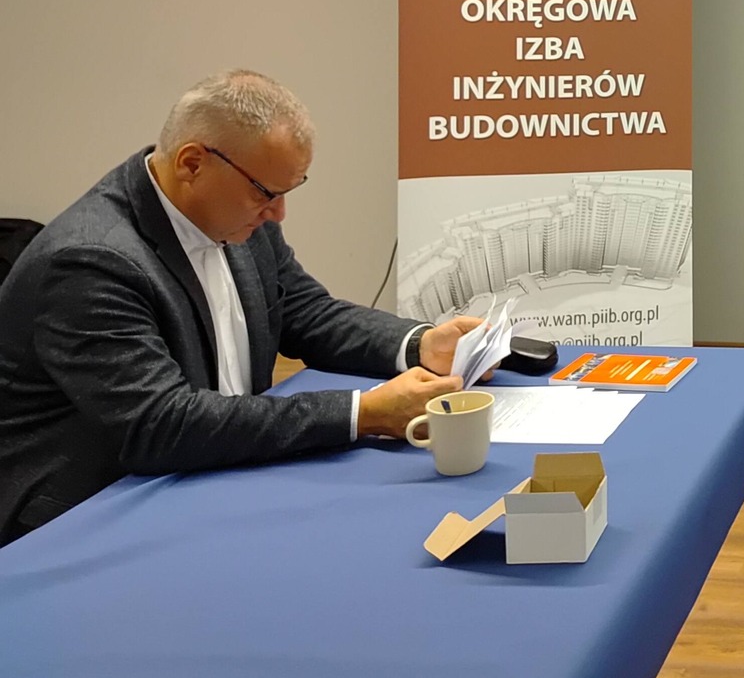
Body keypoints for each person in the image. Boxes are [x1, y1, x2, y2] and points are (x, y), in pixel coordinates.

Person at [0, 71, 481, 546]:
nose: (278, 213)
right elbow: (161, 425)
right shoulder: (91, 261)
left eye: (286, 192)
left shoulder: (238, 216)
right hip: (89, 517)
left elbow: (306, 312)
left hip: (213, 472)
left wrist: (419, 344)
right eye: (265, 193)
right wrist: (364, 412)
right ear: (192, 164)